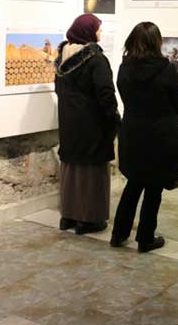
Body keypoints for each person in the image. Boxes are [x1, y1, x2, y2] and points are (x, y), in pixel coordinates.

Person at [111, 22, 178, 253]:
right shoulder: (165, 69)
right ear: (156, 42)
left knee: (134, 184)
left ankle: (119, 234)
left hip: (133, 132)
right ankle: (145, 238)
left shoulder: (125, 68)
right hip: (160, 135)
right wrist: (167, 119)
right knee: (154, 188)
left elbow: (126, 98)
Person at [54, 14, 121, 235]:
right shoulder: (96, 60)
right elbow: (106, 94)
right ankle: (89, 219)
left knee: (71, 170)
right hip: (93, 124)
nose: (100, 32)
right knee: (92, 173)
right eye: (98, 29)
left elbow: (59, 91)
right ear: (88, 32)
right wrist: (114, 120)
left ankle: (68, 216)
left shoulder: (62, 59)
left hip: (69, 123)